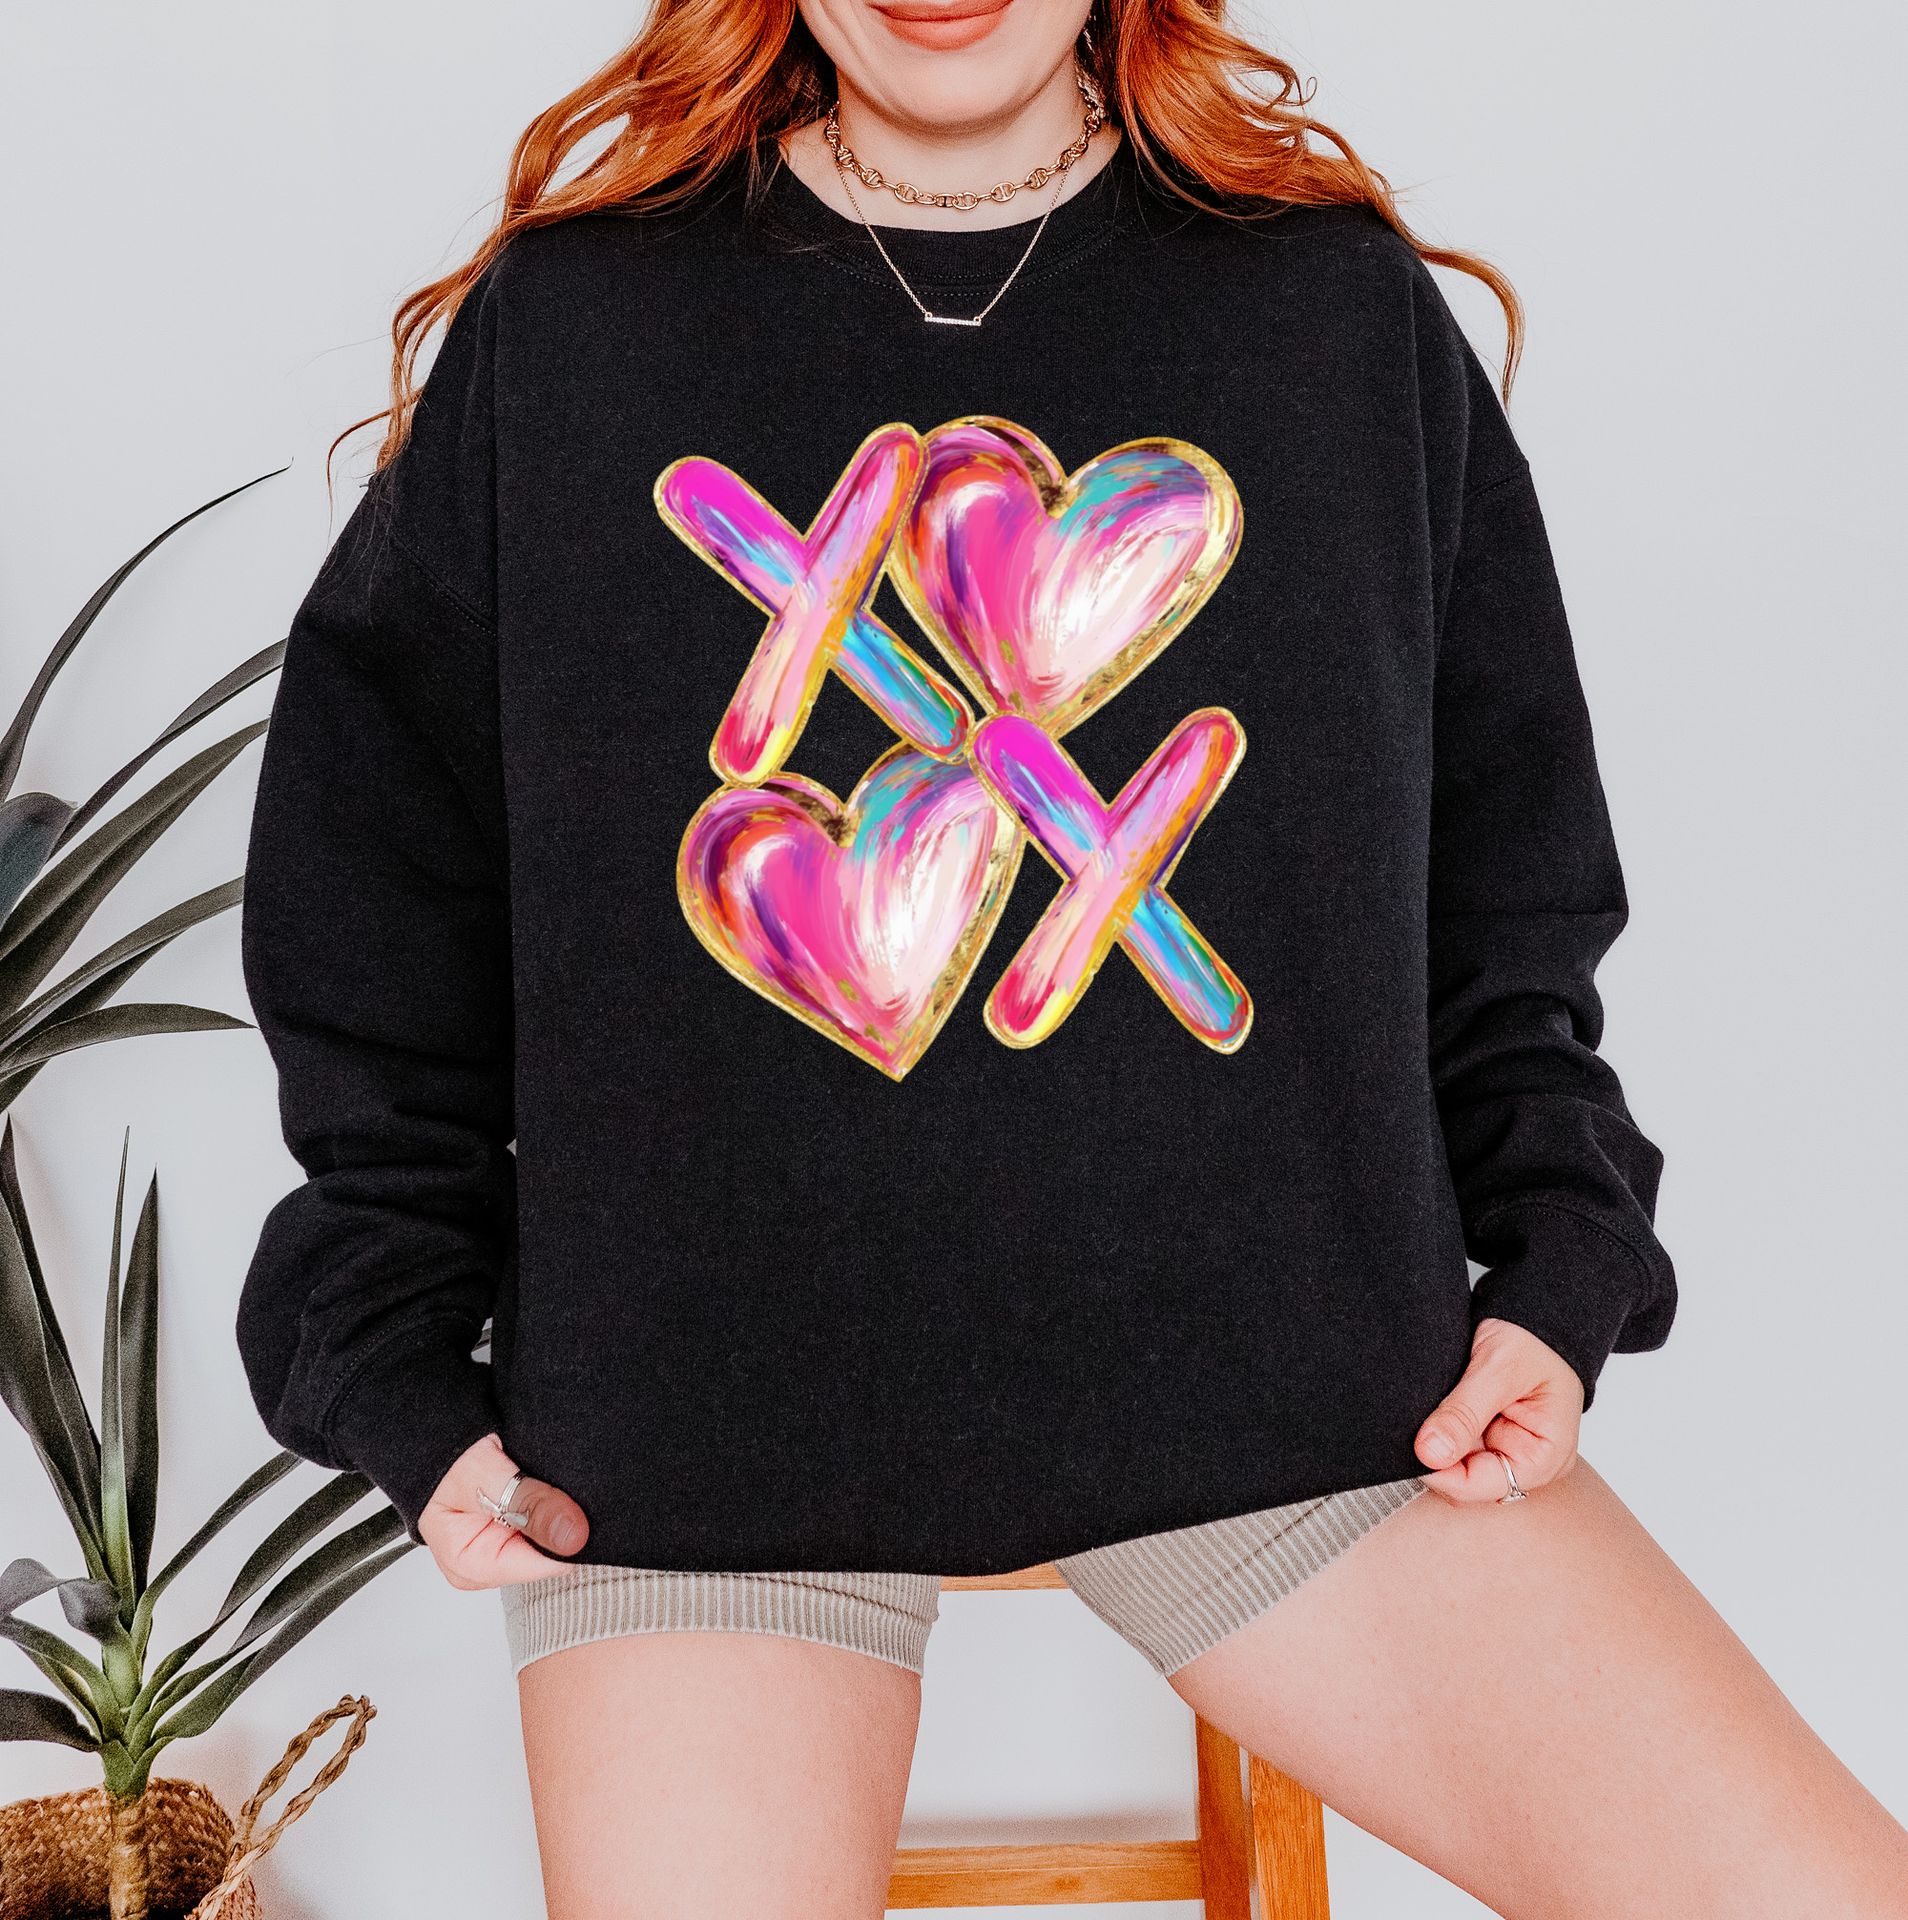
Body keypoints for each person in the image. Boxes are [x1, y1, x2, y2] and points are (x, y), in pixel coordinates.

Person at [233, 1, 1908, 1914]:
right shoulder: (576, 329)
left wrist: (1559, 1262)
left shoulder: (1329, 314)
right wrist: (394, 1355)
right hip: (704, 1435)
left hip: (1296, 1399)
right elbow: (385, 891)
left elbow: (1505, 881)